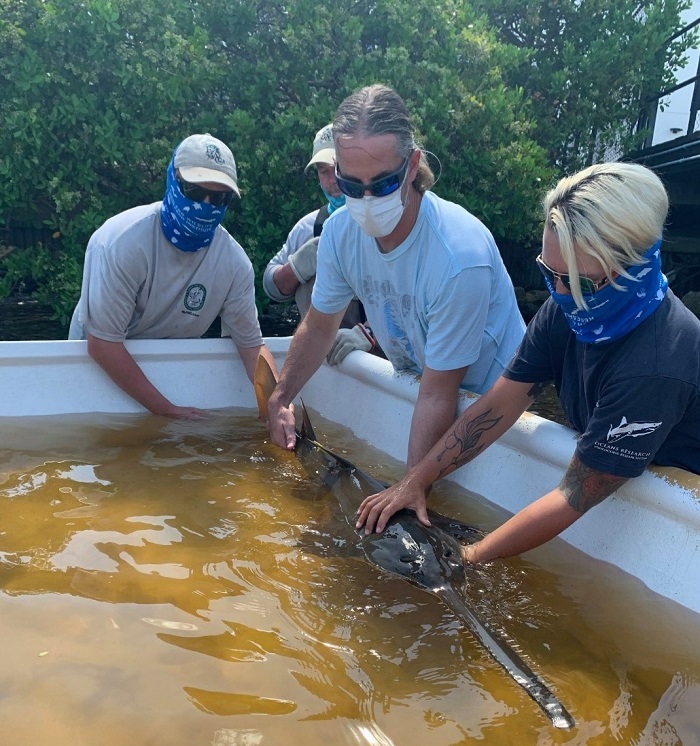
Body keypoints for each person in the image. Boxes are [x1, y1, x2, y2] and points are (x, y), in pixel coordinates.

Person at [356, 161, 700, 565]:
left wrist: (466, 558)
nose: (557, 291)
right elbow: (502, 403)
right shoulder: (567, 308)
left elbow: (574, 493)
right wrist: (416, 480)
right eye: (548, 272)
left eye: (575, 280)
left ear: (632, 267)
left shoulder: (658, 364)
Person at [267, 84, 525, 467]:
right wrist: (280, 396)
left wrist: (409, 487)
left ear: (412, 165)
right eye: (352, 185)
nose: (367, 199)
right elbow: (320, 327)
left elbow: (440, 395)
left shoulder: (458, 256)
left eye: (384, 183)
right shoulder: (339, 234)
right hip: (422, 378)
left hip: (493, 402)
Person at [68, 133, 277, 418]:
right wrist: (166, 410)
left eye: (218, 197)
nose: (205, 204)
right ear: (172, 179)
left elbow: (251, 345)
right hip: (98, 366)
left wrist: (278, 407)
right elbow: (103, 345)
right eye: (193, 191)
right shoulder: (122, 243)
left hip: (172, 368)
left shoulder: (234, 263)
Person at [262, 123, 372, 364]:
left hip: (373, 365)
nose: (332, 180)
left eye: (337, 169)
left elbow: (406, 298)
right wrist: (298, 266)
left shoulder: (378, 223)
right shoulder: (308, 226)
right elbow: (271, 287)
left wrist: (368, 334)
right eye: (323, 171)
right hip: (318, 360)